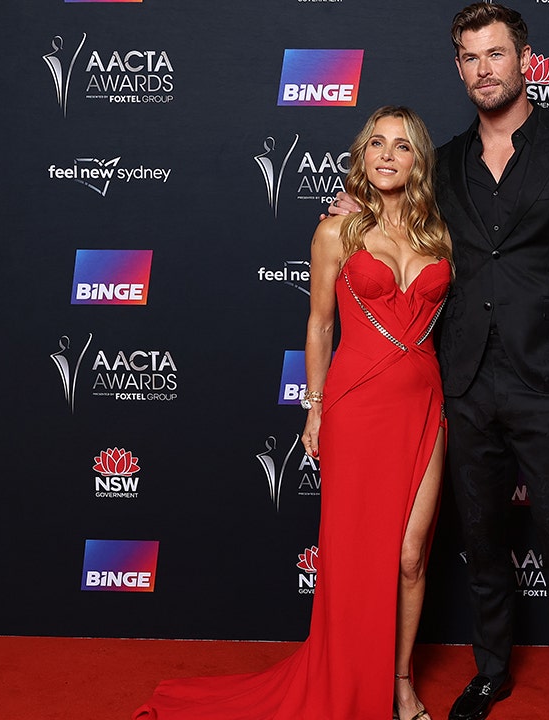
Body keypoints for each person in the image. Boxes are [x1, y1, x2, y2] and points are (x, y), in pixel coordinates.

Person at [330, 5, 549, 719]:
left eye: (496, 54)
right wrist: (349, 207)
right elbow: (394, 216)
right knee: (483, 541)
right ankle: (491, 673)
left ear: (525, 59)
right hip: (461, 380)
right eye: (470, 57)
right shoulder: (446, 163)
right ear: (458, 68)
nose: (484, 68)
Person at [133, 105, 452, 720]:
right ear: (362, 156)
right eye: (377, 144)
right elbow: (320, 322)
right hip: (357, 406)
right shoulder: (337, 231)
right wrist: (314, 408)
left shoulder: (439, 231)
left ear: (419, 161)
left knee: (412, 554)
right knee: (356, 558)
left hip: (426, 404)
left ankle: (400, 682)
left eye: (403, 146)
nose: (388, 155)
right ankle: (352, 686)